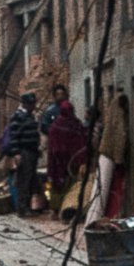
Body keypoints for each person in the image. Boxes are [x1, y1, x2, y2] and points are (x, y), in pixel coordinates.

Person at [43, 87, 91, 218]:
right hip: (69, 161)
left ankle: (60, 209)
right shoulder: (75, 124)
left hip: (60, 161)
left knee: (60, 184)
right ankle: (64, 208)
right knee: (67, 184)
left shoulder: (57, 126)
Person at [88, 92, 132, 224]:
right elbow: (119, 139)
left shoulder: (111, 119)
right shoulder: (117, 119)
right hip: (111, 161)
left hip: (106, 159)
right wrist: (119, 159)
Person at [0, 92, 44, 216]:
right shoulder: (18, 117)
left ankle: (28, 207)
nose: (32, 106)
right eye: (30, 104)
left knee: (30, 180)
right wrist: (17, 153)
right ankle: (22, 209)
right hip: (24, 152)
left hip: (32, 151)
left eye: (33, 103)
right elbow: (14, 137)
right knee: (23, 181)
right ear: (24, 104)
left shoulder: (30, 116)